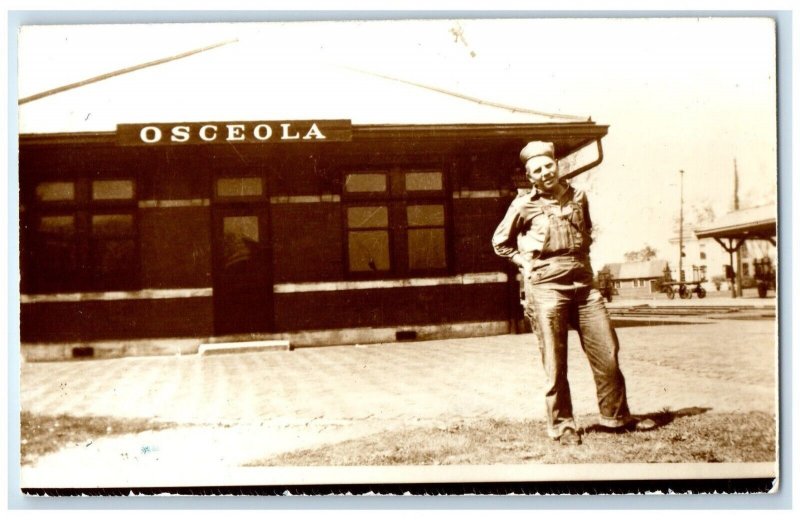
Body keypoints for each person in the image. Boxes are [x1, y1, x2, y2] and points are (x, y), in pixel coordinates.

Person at [492, 141, 654, 446]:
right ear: (530, 176)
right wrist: (523, 262)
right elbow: (500, 242)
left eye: (548, 165)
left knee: (607, 351)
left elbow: (587, 232)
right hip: (547, 287)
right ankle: (562, 425)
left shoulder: (578, 196)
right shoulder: (522, 205)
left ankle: (616, 417)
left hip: (585, 285)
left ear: (556, 165)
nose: (545, 172)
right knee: (555, 359)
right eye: (537, 170)